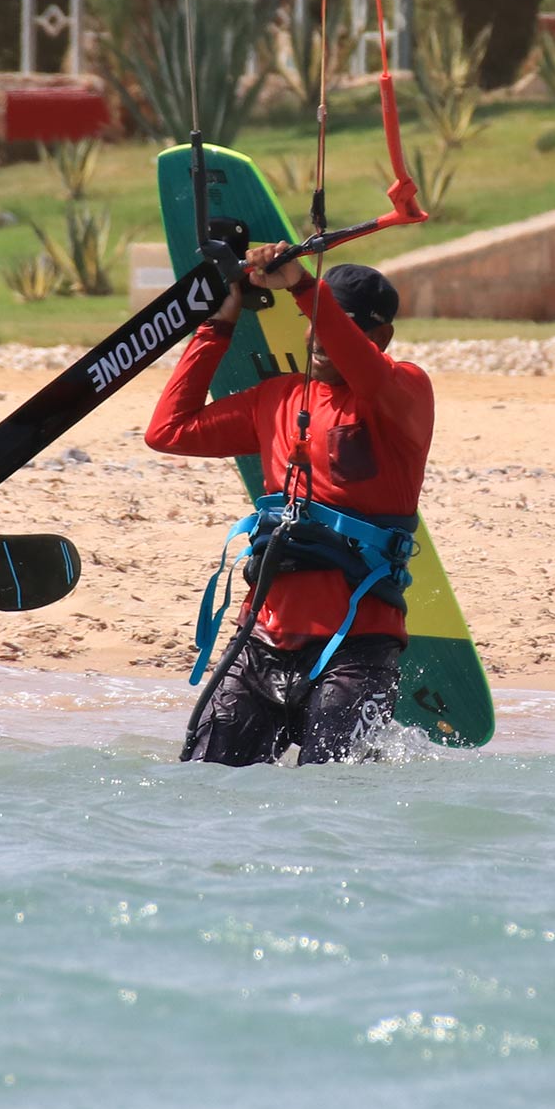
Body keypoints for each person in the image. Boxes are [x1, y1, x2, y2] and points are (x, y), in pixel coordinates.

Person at [144, 243, 434, 765]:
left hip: (357, 649)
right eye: (316, 323)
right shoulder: (275, 399)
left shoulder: (404, 393)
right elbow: (169, 431)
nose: (321, 336)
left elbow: (360, 365)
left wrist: (303, 286)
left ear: (380, 337)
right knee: (205, 785)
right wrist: (218, 325)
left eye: (339, 324)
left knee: (334, 798)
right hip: (260, 638)